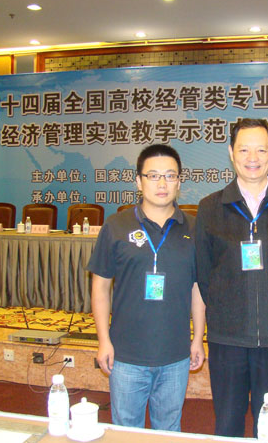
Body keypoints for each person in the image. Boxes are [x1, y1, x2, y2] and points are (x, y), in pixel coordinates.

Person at [195, 118, 268, 437]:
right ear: (231, 153)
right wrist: (225, 312)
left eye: (261, 150)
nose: (253, 157)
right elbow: (204, 275)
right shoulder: (209, 208)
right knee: (228, 423)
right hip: (227, 339)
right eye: (244, 149)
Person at [87, 144, 206, 431]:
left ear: (179, 181)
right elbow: (100, 288)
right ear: (139, 182)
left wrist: (198, 338)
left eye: (170, 175)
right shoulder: (116, 226)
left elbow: (198, 288)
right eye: (153, 176)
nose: (162, 184)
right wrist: (103, 340)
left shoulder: (194, 228)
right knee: (126, 430)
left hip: (175, 355)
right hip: (126, 355)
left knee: (169, 430)